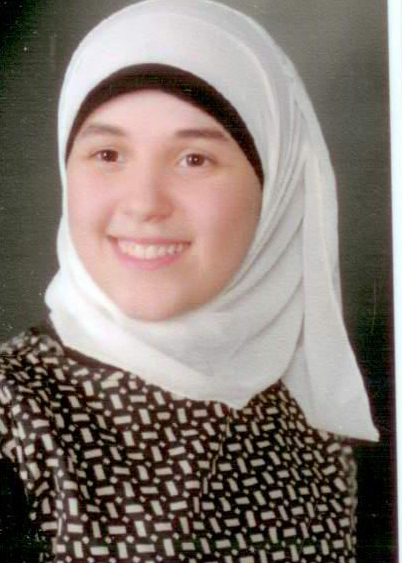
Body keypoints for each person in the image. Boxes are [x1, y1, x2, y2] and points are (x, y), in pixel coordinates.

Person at [0, 0, 378, 561]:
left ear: (276, 187)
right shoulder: (15, 417)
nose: (144, 203)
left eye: (194, 159)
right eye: (108, 153)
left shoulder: (320, 428)